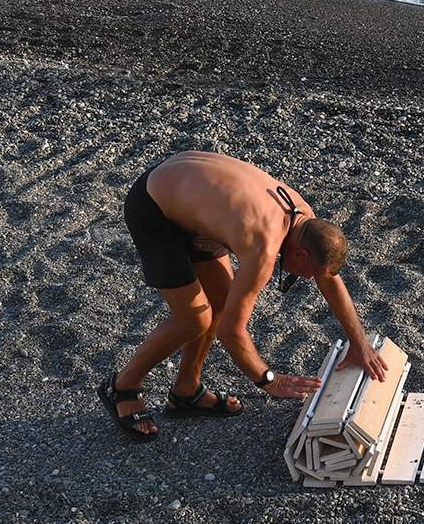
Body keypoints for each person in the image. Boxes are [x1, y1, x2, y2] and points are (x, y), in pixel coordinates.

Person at [99, 151, 389, 440]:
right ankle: (123, 386)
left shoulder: (307, 220)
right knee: (194, 319)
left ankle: (186, 390)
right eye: (309, 273)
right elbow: (231, 331)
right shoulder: (263, 246)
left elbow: (330, 280)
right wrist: (268, 379)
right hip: (154, 207)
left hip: (191, 197)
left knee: (221, 302)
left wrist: (359, 343)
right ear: (300, 254)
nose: (309, 279)